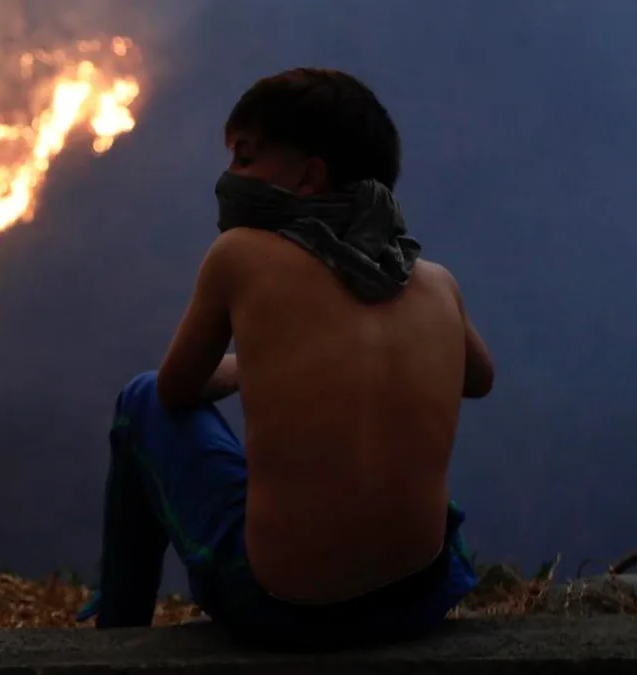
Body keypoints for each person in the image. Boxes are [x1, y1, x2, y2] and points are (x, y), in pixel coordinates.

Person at [78, 67, 494, 649]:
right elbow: (478, 379)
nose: (229, 178)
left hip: (285, 610)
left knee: (141, 398)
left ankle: (113, 640)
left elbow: (177, 390)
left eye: (245, 161)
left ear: (309, 178)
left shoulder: (240, 256)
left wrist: (248, 367)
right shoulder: (435, 281)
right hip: (421, 597)